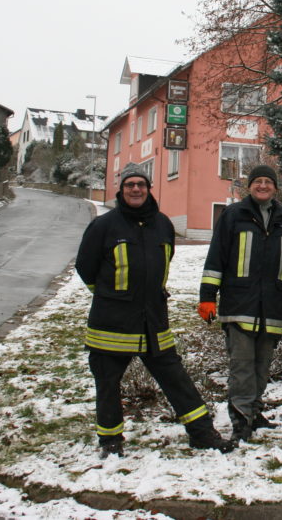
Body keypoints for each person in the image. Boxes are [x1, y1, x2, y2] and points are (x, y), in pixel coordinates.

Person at [75, 163, 234, 458]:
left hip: (153, 321)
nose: (136, 189)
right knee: (107, 383)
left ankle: (202, 433)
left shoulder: (163, 224)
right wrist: (112, 296)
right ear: (121, 190)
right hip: (112, 323)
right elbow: (86, 267)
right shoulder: (103, 226)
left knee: (176, 379)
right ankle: (110, 440)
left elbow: (165, 259)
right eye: (130, 185)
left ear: (148, 189)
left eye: (141, 184)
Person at [198, 165, 282, 442]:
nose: (263, 186)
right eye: (258, 181)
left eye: (268, 181)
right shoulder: (233, 215)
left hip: (271, 307)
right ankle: (241, 419)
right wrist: (207, 297)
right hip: (238, 305)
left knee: (261, 367)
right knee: (242, 366)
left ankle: (254, 412)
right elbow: (216, 257)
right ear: (250, 186)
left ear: (275, 188)